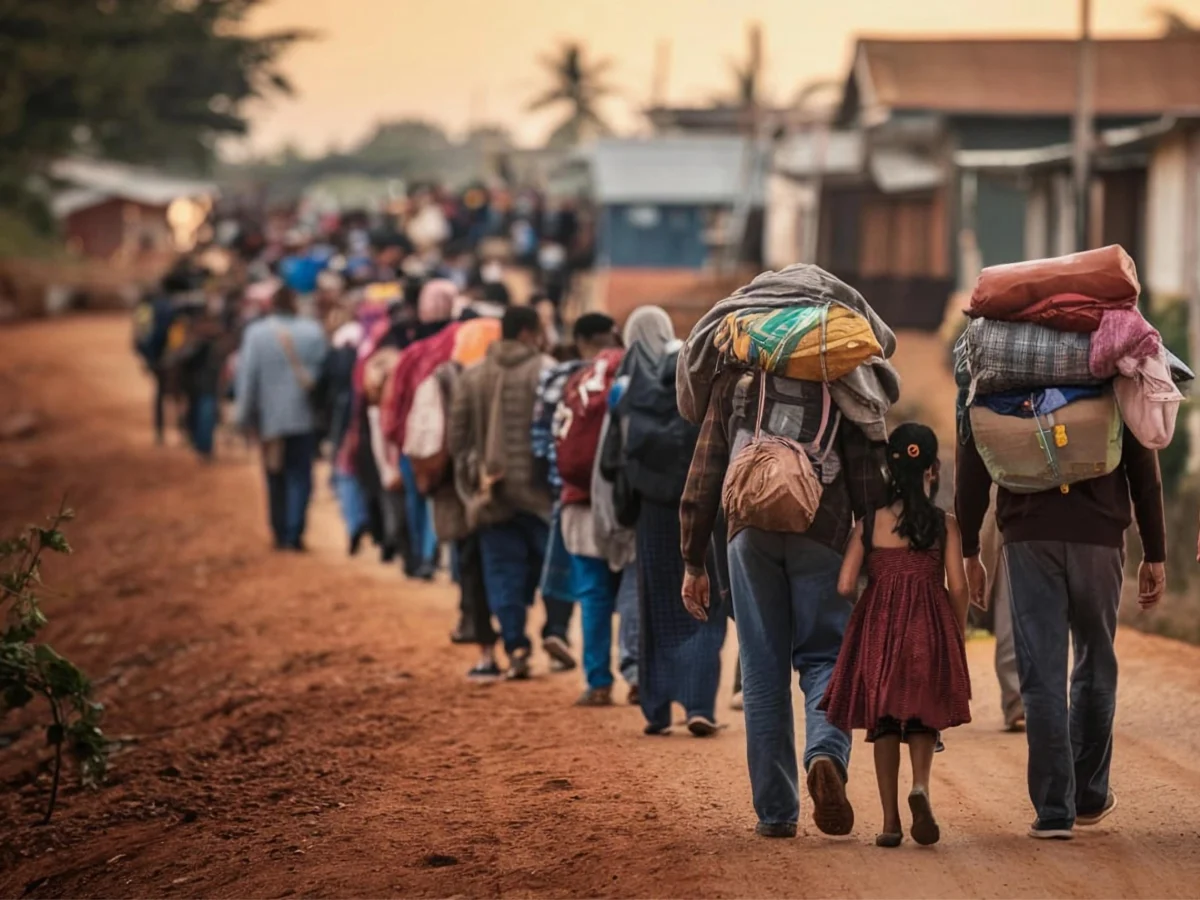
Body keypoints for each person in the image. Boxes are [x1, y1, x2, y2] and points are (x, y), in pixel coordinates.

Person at [680, 361, 888, 839]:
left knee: (761, 668)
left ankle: (776, 812)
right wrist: (871, 554)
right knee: (827, 655)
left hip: (749, 531)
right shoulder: (841, 372)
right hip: (824, 530)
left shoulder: (735, 377)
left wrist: (694, 561)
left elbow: (706, 471)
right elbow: (867, 478)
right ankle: (825, 754)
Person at [957, 403, 1167, 840]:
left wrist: (970, 549)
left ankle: (1054, 810)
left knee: (1042, 673)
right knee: (1095, 660)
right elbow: (1142, 461)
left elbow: (974, 454)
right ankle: (1088, 795)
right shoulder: (1111, 368)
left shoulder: (1005, 370)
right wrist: (1155, 550)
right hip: (1100, 536)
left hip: (1029, 535)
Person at [820, 424, 972, 848]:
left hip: (881, 627)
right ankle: (920, 786)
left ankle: (889, 822)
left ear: (890, 470)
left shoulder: (869, 524)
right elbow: (959, 586)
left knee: (885, 721)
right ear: (933, 469)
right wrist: (954, 631)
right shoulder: (945, 525)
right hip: (929, 626)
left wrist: (873, 610)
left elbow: (846, 584)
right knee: (922, 715)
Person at [603, 306, 726, 734]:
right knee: (704, 603)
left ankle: (656, 710)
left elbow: (608, 462)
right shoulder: (693, 373)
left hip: (652, 513)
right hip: (701, 506)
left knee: (657, 604)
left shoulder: (623, 386)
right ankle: (698, 706)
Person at [447, 306, 553, 681]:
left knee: (502, 571)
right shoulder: (546, 370)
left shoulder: (472, 377)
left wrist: (474, 477)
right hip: (541, 497)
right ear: (527, 333)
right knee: (547, 570)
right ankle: (552, 632)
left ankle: (515, 643)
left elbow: (456, 439)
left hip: (490, 494)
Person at [553, 313, 625, 706]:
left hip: (577, 502)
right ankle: (636, 676)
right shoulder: (635, 374)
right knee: (634, 594)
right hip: (626, 505)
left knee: (592, 594)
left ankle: (598, 681)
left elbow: (553, 440)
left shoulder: (574, 382)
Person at [235, 285, 328, 551]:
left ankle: (279, 532)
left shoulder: (256, 334)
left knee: (275, 476)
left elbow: (248, 379)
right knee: (301, 475)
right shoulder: (313, 331)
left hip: (270, 422)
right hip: (305, 418)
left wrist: (243, 418)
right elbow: (323, 377)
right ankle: (295, 532)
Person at [980, 502, 1024, 732]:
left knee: (1012, 613)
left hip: (1021, 519)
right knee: (1011, 616)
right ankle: (1019, 699)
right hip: (1015, 521)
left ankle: (1023, 698)